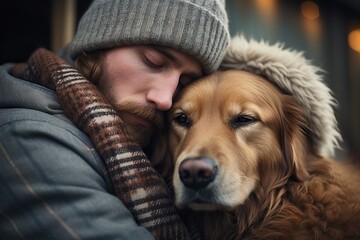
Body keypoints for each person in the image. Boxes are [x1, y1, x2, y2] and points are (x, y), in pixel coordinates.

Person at [0, 0, 230, 239]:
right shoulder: (27, 138)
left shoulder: (157, 144)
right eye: (153, 62)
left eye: (184, 83)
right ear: (100, 43)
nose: (165, 100)